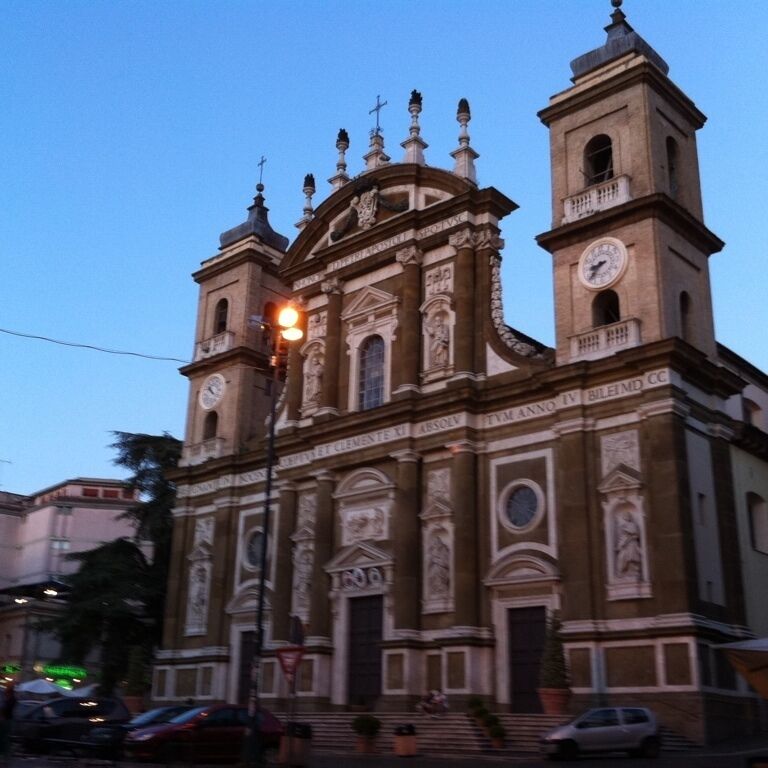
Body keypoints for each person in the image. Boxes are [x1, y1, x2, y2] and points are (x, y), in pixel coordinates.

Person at [0, 680, 17, 764]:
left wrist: (2, 715)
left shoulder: (11, 699)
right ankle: (5, 755)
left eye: (7, 686)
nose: (6, 687)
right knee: (4, 738)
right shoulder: (8, 698)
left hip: (6, 720)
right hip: (6, 720)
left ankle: (5, 755)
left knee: (4, 738)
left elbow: (6, 709)